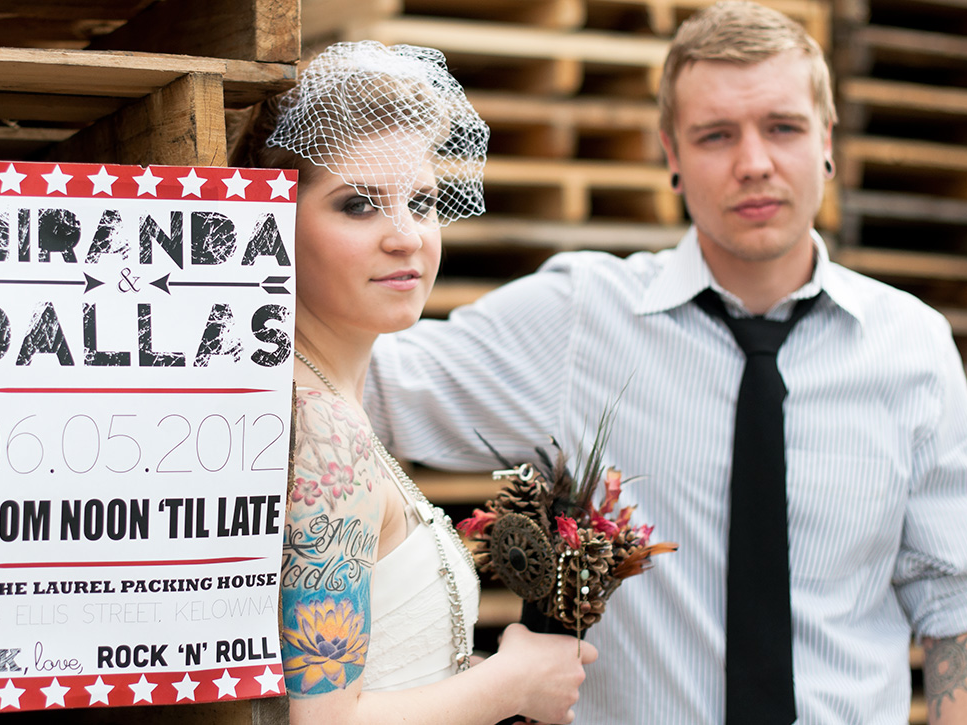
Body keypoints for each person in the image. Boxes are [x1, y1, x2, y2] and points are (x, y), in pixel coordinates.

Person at [364, 3, 967, 724]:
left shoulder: (913, 345)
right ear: (671, 155)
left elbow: (951, 601)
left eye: (783, 127)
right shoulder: (583, 318)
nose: (754, 162)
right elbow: (363, 386)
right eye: (716, 135)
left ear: (827, 140)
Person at [237, 40, 597, 725]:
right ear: (274, 220)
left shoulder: (328, 400)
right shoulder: (323, 431)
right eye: (357, 205)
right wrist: (512, 683)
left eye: (423, 201)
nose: (407, 237)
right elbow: (322, 722)